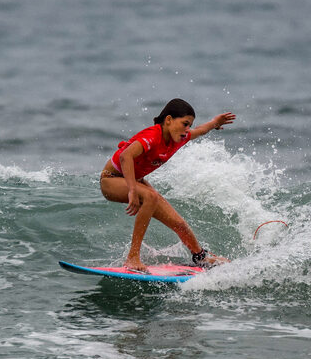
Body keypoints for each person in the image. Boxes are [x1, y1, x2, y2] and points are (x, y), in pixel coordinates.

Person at [100, 98, 236, 272]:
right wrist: (132, 190)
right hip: (110, 179)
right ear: (169, 120)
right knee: (150, 196)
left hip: (135, 181)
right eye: (185, 124)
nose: (187, 130)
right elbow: (125, 156)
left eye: (189, 125)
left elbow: (199, 131)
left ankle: (200, 258)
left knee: (178, 223)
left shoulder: (178, 138)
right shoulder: (152, 136)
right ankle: (132, 258)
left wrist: (214, 123)